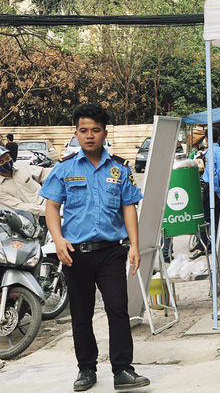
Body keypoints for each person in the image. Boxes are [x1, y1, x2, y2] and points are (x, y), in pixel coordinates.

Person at [39, 103, 150, 392]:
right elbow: (52, 207)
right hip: (76, 254)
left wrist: (134, 245)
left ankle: (123, 370)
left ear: (104, 132)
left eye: (96, 130)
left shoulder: (119, 169)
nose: (90, 136)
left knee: (118, 308)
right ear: (75, 133)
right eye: (84, 130)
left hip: (111, 251)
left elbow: (129, 208)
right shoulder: (64, 169)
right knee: (81, 314)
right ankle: (86, 369)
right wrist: (58, 239)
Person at [191, 128, 220, 260]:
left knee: (204, 218)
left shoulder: (210, 153)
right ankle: (216, 244)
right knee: (217, 218)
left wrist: (217, 192)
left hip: (213, 189)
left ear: (206, 139)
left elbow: (213, 175)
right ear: (218, 138)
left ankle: (204, 246)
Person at [0, 146, 48, 218]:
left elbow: (43, 173)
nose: (6, 162)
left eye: (7, 158)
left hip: (48, 203)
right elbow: (19, 206)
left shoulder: (22, 166)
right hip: (30, 219)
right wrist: (47, 210)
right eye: (1, 162)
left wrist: (65, 172)